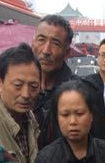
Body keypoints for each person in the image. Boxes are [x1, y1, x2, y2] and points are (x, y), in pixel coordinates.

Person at [31, 14, 74, 149]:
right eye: (41, 40)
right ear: (32, 44)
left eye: (55, 43)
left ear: (67, 53)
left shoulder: (78, 93)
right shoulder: (18, 89)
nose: (46, 50)